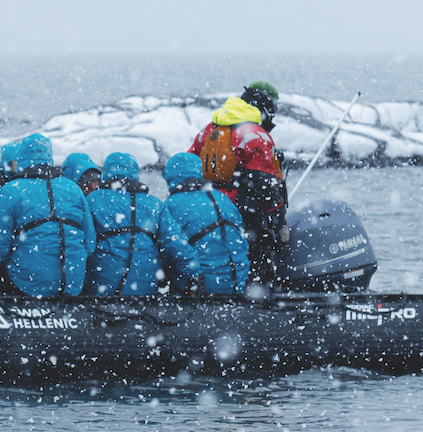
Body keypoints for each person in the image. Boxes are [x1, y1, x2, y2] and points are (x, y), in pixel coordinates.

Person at [188, 80, 288, 278]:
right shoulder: (256, 135)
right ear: (264, 106)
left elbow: (187, 165)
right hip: (245, 216)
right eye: (273, 108)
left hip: (209, 211)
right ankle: (257, 302)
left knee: (217, 261)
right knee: (257, 267)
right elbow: (265, 185)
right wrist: (279, 222)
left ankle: (217, 298)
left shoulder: (209, 129)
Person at [0, 133, 95, 296]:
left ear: (21, 157)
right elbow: (90, 244)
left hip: (28, 283)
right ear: (49, 156)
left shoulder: (11, 190)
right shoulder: (73, 189)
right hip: (73, 283)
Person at [86, 151, 198, 295]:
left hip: (102, 286)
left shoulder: (93, 200)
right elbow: (176, 243)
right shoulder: (155, 204)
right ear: (135, 174)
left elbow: (83, 243)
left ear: (106, 173)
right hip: (145, 289)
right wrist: (194, 276)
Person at [162, 152, 251, 294]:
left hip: (202, 287)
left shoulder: (171, 205)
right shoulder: (224, 199)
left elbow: (164, 252)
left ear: (170, 176)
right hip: (238, 281)